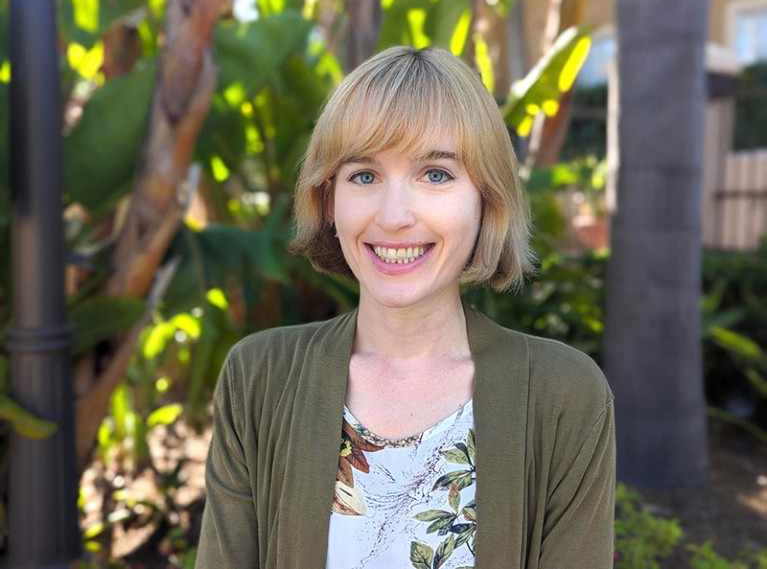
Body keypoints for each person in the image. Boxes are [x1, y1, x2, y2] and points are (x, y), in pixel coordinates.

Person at [195, 46, 615, 569]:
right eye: (364, 175)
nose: (394, 216)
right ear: (330, 201)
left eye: (435, 174)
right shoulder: (258, 378)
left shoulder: (564, 394)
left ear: (486, 199)